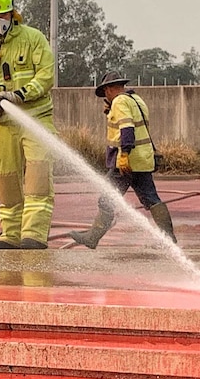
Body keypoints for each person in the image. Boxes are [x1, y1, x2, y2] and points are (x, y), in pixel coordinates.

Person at [0, 0, 56, 249]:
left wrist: (20, 95)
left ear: (13, 13)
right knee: (6, 179)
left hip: (35, 118)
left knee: (38, 179)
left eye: (4, 13)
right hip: (3, 126)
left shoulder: (33, 38)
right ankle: (9, 234)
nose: (0, 19)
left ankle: (33, 234)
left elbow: (45, 75)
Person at [69, 71, 177, 249]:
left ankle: (93, 237)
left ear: (110, 89)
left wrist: (125, 154)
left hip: (126, 162)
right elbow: (132, 123)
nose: (105, 96)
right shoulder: (135, 99)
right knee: (151, 199)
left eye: (105, 92)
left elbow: (127, 128)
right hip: (142, 160)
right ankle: (169, 238)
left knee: (106, 199)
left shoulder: (119, 102)